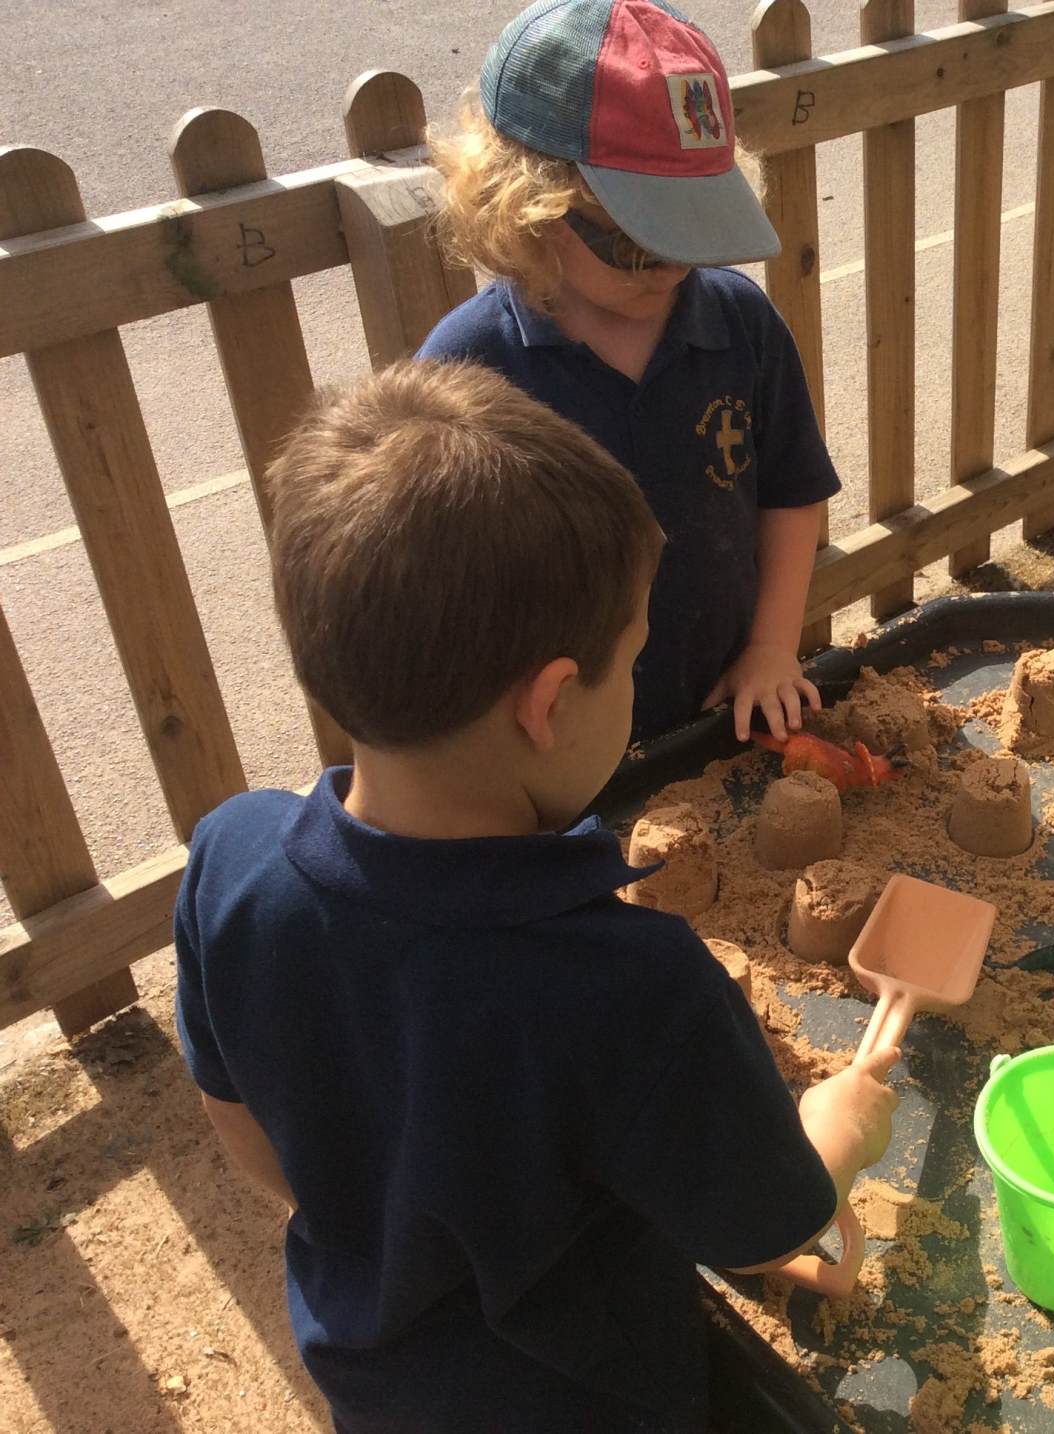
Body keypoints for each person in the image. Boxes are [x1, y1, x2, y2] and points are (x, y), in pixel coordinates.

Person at [173, 362, 898, 1433]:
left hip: (379, 1387)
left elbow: (246, 1129)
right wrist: (835, 1133)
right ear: (551, 703)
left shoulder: (230, 861)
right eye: (631, 663)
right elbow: (763, 1228)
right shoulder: (634, 987)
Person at [421, 0, 837, 744]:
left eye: (690, 232)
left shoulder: (740, 325)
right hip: (555, 750)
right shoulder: (470, 371)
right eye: (636, 242)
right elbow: (445, 600)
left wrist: (772, 648)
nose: (670, 267)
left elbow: (791, 490)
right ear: (524, 205)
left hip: (720, 704)